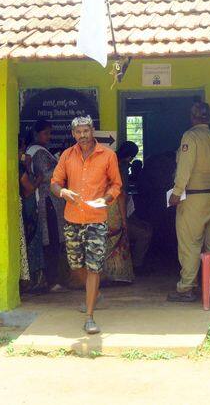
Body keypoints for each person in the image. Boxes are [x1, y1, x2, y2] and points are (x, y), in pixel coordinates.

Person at [51, 116, 122, 334]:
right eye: (78, 132)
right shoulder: (67, 155)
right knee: (75, 265)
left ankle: (90, 317)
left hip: (96, 219)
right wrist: (63, 192)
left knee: (94, 267)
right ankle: (96, 294)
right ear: (73, 134)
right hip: (72, 218)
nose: (82, 135)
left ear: (92, 131)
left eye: (86, 131)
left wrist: (107, 199)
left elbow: (116, 184)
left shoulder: (108, 155)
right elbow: (54, 183)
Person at [167, 102, 210, 302]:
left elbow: (185, 167)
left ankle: (186, 288)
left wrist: (176, 192)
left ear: (192, 117)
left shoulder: (190, 137)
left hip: (193, 198)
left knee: (190, 244)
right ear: (208, 117)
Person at [27, 120, 69, 292]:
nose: (49, 136)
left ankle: (51, 279)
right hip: (47, 202)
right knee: (51, 241)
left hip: (50, 201)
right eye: (46, 133)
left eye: (50, 133)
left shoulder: (38, 151)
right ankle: (52, 281)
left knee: (51, 241)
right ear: (36, 134)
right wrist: (62, 162)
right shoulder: (38, 152)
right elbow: (45, 175)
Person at [101, 141, 137, 284]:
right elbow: (121, 195)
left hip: (102, 208)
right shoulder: (121, 168)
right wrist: (124, 219)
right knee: (119, 238)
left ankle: (103, 275)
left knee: (104, 241)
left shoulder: (108, 163)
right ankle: (118, 275)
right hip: (114, 208)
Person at [20, 137, 47, 292]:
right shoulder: (21, 169)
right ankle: (34, 281)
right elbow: (29, 190)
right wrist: (39, 180)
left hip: (28, 209)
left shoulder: (23, 167)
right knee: (33, 244)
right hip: (27, 210)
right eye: (22, 148)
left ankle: (36, 280)